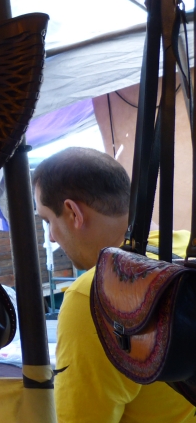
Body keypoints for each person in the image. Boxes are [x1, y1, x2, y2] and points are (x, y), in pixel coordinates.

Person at [33, 147, 195, 423]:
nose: (51, 237)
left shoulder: (92, 295)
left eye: (48, 220)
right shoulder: (187, 247)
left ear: (73, 212)